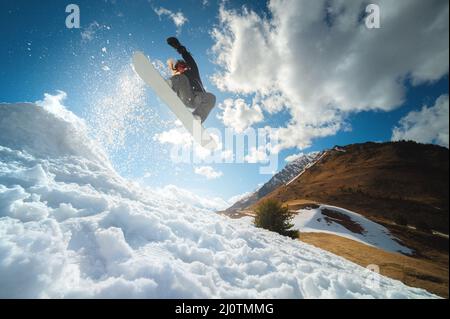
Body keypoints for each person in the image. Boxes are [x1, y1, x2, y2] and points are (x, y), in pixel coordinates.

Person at [166, 37, 216, 123]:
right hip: (184, 96)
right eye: (178, 67)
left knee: (211, 97)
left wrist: (180, 48)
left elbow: (190, 61)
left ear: (186, 66)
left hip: (197, 98)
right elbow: (179, 78)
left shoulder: (193, 71)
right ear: (177, 69)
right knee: (181, 78)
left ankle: (197, 117)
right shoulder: (179, 77)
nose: (181, 68)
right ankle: (168, 85)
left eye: (182, 65)